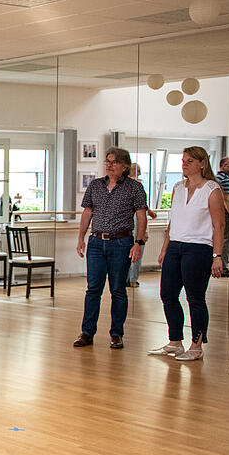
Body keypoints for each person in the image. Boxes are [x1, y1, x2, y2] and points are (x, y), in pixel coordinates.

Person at [148, 147, 225, 361]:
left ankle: (196, 346)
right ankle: (175, 342)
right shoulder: (177, 187)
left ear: (202, 164)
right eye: (183, 161)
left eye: (189, 161)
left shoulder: (212, 189)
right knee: (168, 294)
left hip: (199, 248)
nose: (184, 164)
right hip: (175, 246)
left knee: (195, 298)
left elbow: (219, 225)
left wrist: (217, 256)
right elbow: (173, 221)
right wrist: (164, 248)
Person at [74, 147, 147, 350]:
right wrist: (81, 238)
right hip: (97, 242)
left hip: (121, 243)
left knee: (118, 290)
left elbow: (141, 217)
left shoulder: (134, 188)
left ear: (124, 166)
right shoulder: (96, 185)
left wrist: (139, 243)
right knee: (93, 290)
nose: (108, 165)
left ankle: (117, 334)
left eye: (113, 162)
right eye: (107, 161)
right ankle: (87, 333)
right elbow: (87, 213)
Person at [126, 163, 158, 288]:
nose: (139, 173)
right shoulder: (134, 187)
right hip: (134, 224)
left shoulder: (132, 187)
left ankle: (130, 278)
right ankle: (132, 278)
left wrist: (150, 212)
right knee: (135, 253)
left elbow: (142, 205)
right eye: (137, 170)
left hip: (135, 223)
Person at [217, 156, 229, 277]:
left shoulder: (217, 178)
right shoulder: (226, 179)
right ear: (223, 165)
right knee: (226, 240)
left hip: (219, 213)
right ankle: (224, 268)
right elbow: (226, 199)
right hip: (226, 213)